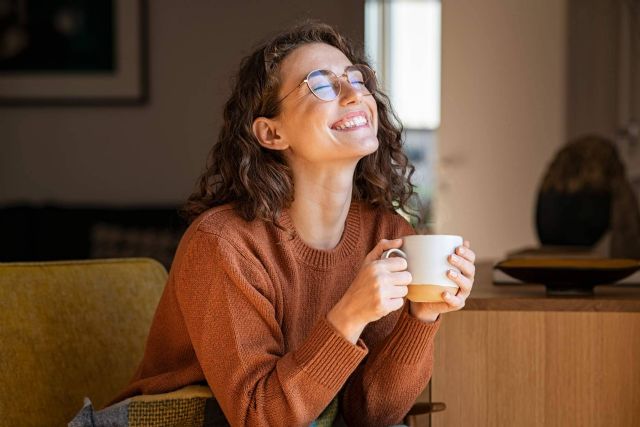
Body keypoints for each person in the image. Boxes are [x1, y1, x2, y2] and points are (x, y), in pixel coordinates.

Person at [111, 22, 476, 426]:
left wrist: (420, 318)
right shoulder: (223, 244)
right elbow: (257, 417)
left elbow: (369, 416)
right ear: (271, 132)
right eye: (321, 84)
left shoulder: (388, 236)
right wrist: (348, 316)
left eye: (357, 78)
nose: (355, 93)